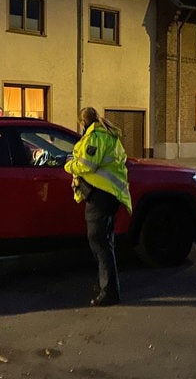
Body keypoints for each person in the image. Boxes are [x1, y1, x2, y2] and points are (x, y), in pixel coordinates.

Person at [64, 107, 132, 307]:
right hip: (109, 194)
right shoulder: (108, 135)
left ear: (83, 122)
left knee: (99, 242)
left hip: (101, 195)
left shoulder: (95, 137)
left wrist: (68, 165)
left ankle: (109, 292)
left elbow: (86, 165)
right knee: (105, 242)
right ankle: (106, 284)